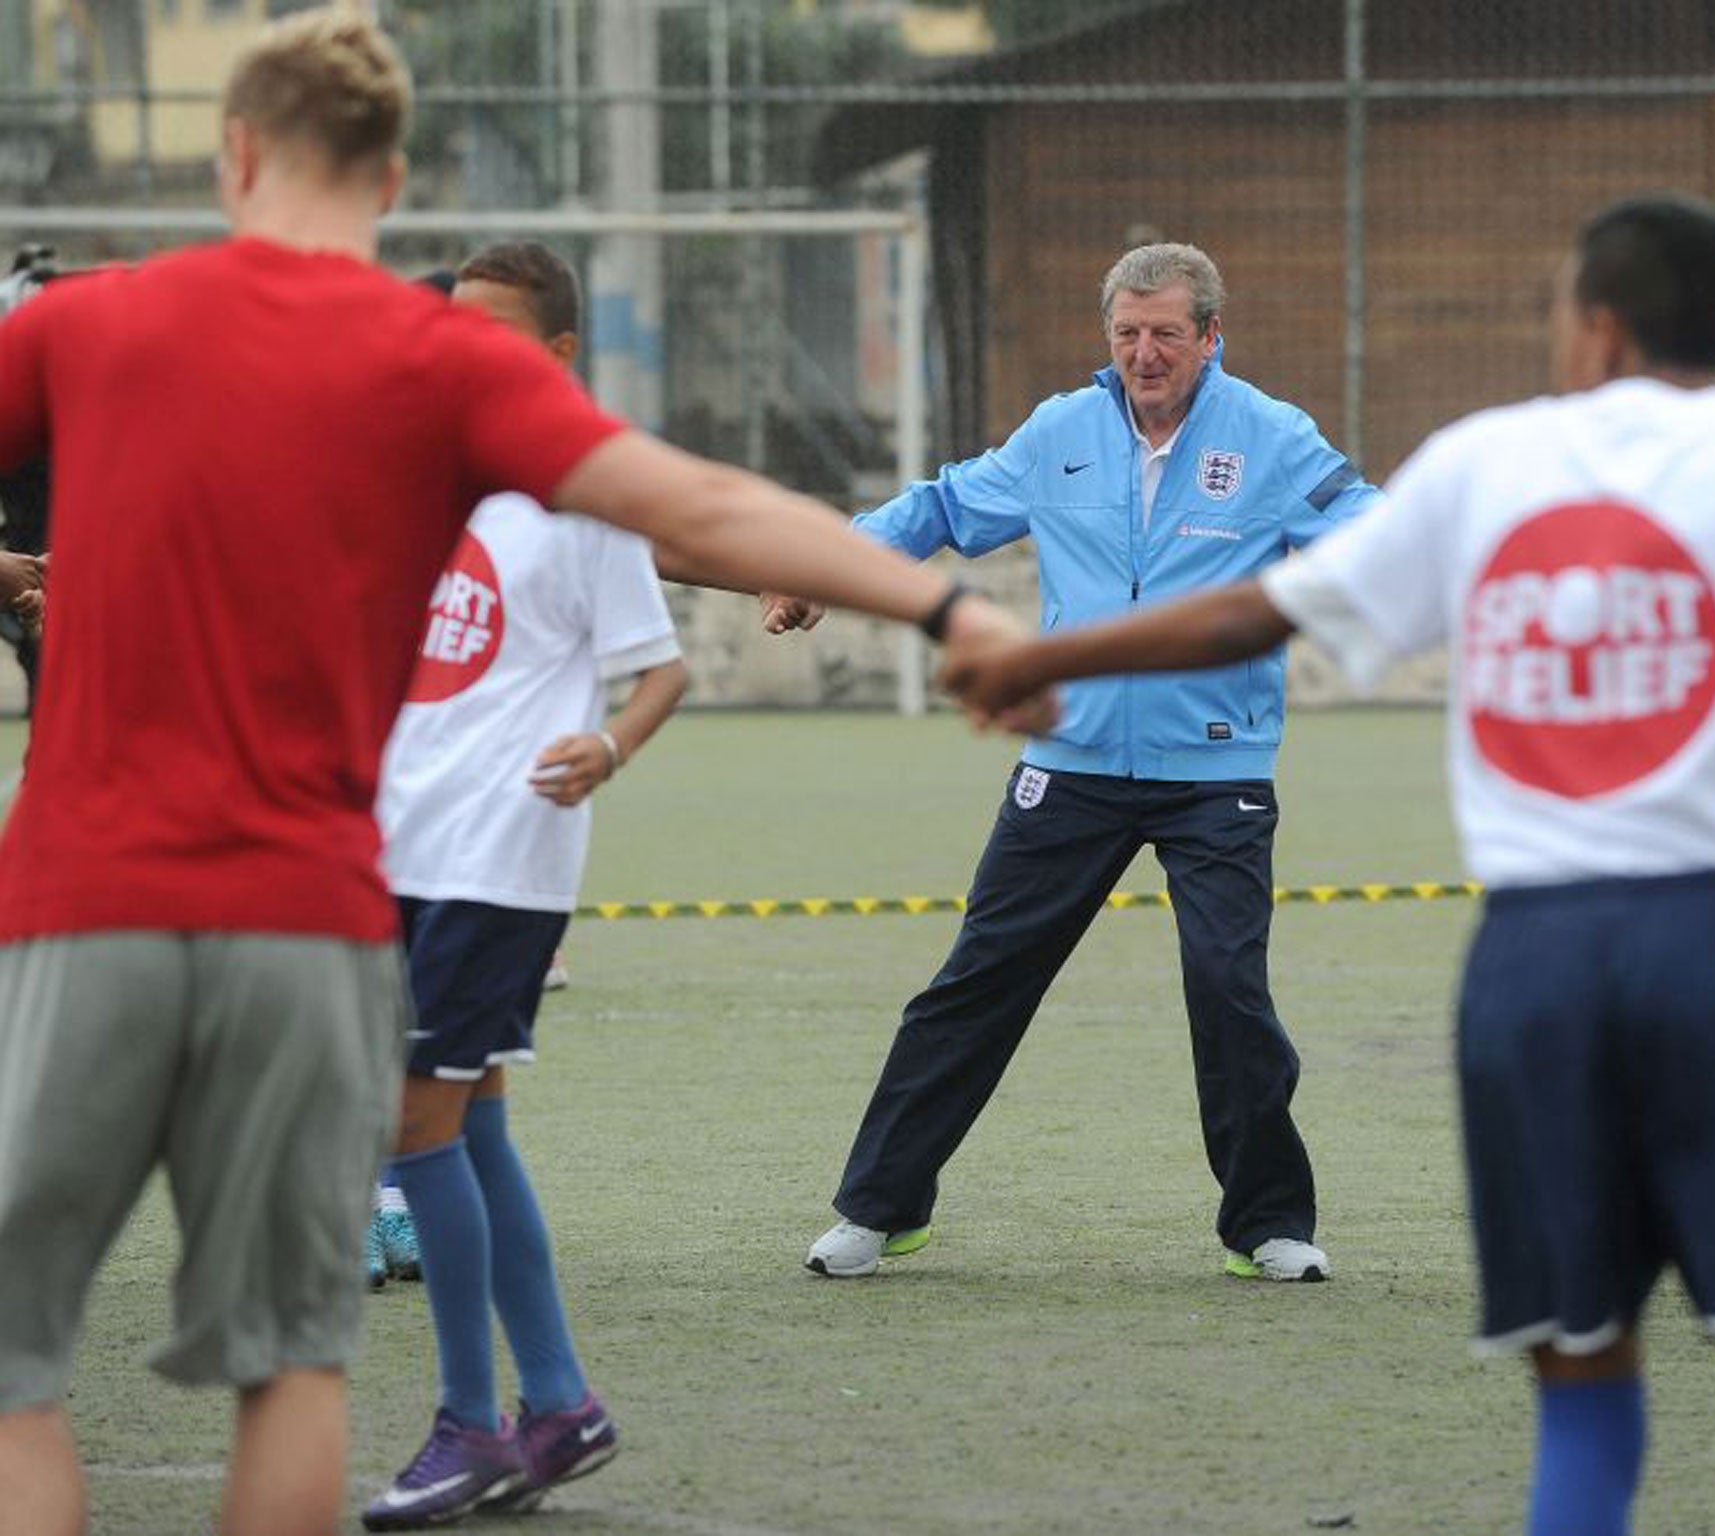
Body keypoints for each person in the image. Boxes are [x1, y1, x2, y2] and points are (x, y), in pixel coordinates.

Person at [0, 10, 1041, 1536]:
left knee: (24, 1378)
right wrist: (951, 606)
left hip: (84, 901)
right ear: (394, 178)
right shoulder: (437, 367)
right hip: (309, 922)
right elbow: (702, 504)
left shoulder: (88, 326)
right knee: (292, 1376)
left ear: (232, 154)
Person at [944, 194, 1715, 1536]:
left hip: (1540, 969)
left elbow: (1259, 606)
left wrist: (1045, 654)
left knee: (1582, 1394)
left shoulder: (1491, 461)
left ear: (1590, 324)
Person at [771, 242, 1377, 1282]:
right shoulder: (1059, 431)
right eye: (1126, 334)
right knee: (975, 983)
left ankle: (1269, 1225)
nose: (1144, 354)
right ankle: (879, 1207)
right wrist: (827, 563)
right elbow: (942, 508)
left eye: (1166, 336)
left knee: (1229, 991)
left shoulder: (1272, 438)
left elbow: (1368, 524)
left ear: (1209, 339)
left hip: (1213, 769)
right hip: (1071, 761)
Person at [359, 241, 688, 1529]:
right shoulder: (432, 483)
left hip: (498, 857)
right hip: (403, 844)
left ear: (553, 356)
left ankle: (468, 1426)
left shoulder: (583, 488)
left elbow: (658, 670)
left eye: (489, 331)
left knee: (411, 1127)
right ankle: (557, 1404)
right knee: (473, 1123)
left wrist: (607, 747)